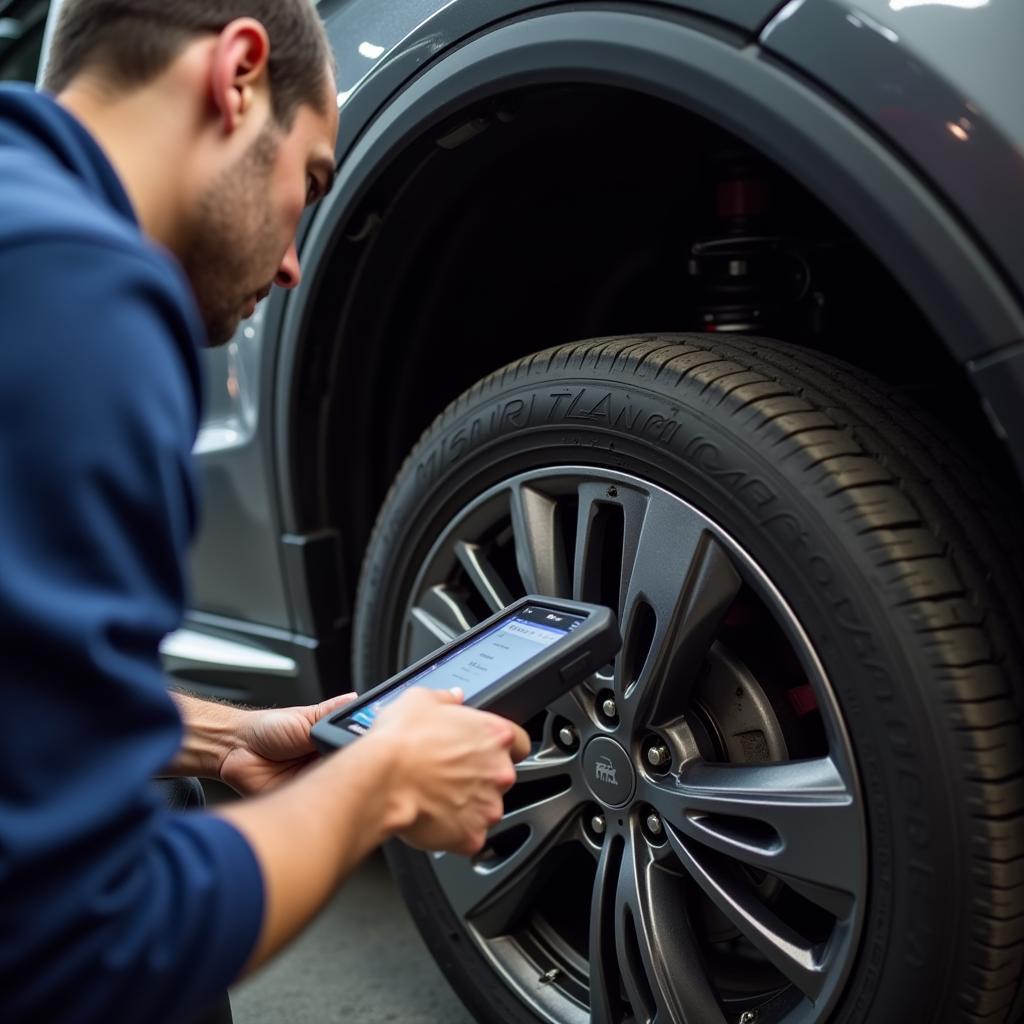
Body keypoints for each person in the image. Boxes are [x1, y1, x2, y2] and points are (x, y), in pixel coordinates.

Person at [0, 2, 530, 1023]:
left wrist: (225, 733)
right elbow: (92, 937)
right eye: (312, 180)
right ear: (238, 75)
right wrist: (379, 783)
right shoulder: (83, 291)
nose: (293, 264)